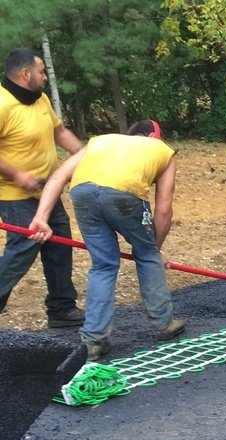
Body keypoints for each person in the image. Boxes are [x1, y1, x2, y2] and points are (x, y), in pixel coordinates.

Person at [28, 120, 184, 360]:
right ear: (154, 137)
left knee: (103, 265)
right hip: (125, 193)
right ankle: (165, 323)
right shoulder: (162, 150)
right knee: (147, 256)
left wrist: (41, 218)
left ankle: (93, 340)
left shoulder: (99, 142)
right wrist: (154, 249)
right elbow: (164, 210)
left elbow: (58, 176)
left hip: (82, 192)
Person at [0, 47, 85, 326]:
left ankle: (61, 308)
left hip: (47, 190)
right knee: (23, 248)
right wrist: (17, 175)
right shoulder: (2, 104)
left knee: (59, 244)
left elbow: (59, 132)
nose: (45, 77)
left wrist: (85, 155)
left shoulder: (41, 99)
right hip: (14, 194)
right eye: (41, 72)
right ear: (25, 74)